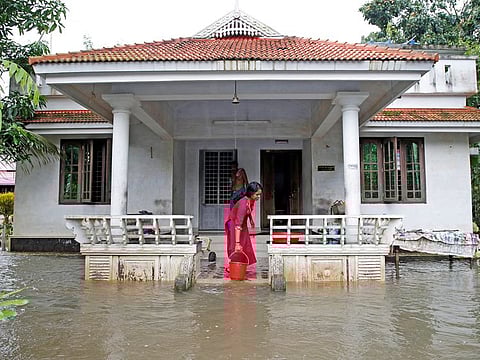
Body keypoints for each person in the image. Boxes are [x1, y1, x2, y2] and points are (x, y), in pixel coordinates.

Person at [225, 181, 263, 267]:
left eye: (259, 194)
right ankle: (233, 266)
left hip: (242, 223)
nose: (259, 197)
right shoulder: (243, 203)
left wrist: (251, 220)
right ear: (251, 193)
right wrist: (237, 243)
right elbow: (238, 225)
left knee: (246, 244)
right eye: (257, 194)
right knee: (235, 246)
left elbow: (248, 211)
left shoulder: (251, 200)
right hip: (234, 224)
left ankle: (242, 266)